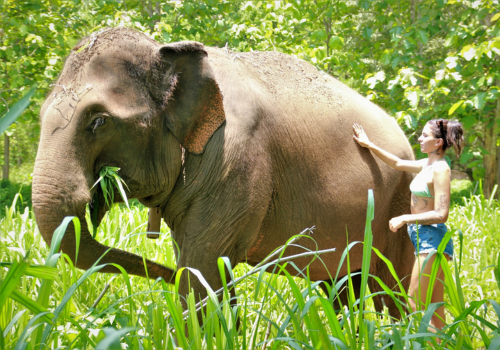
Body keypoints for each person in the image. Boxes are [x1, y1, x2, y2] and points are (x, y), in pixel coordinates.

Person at [353, 119, 464, 332]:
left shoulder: (441, 170)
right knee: (434, 309)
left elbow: (442, 214)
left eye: (425, 136)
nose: (420, 139)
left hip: (432, 239)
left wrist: (405, 218)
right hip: (423, 237)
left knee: (413, 303)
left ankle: (418, 344)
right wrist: (369, 144)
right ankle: (443, 346)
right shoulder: (427, 164)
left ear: (439, 142)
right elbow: (396, 163)